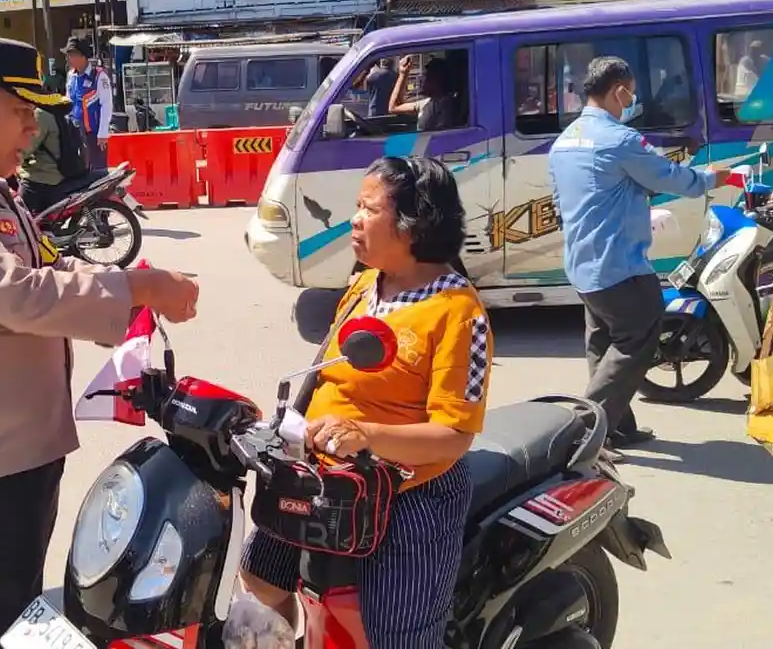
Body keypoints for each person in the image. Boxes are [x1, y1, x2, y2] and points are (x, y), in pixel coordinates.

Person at [0, 36, 200, 649]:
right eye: (22, 111)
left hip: (17, 453)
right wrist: (139, 286)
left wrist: (132, 290)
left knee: (15, 617)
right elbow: (17, 293)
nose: (33, 128)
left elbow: (48, 269)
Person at [239, 156, 491, 649]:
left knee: (397, 637)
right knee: (261, 578)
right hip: (325, 475)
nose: (354, 220)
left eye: (369, 209)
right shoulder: (363, 285)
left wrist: (367, 435)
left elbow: (454, 435)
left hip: (409, 495)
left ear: (413, 225)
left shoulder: (459, 314)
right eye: (357, 206)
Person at [549, 56, 729, 454]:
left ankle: (615, 428)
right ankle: (583, 434)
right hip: (621, 268)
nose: (632, 101)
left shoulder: (566, 141)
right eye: (631, 93)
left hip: (584, 265)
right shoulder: (620, 139)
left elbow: (561, 202)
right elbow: (670, 177)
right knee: (636, 343)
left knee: (603, 346)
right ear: (618, 91)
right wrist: (712, 178)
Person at [64, 36, 112, 169]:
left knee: (97, 171)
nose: (69, 59)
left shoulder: (99, 76)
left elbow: (106, 104)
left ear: (83, 56)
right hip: (75, 133)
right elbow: (67, 101)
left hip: (93, 135)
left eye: (72, 55)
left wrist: (103, 133)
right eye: (68, 55)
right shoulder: (71, 76)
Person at [388, 55, 458, 131]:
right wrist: (403, 73)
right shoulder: (428, 102)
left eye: (427, 77)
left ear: (438, 81)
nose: (423, 80)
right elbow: (394, 107)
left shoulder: (446, 106)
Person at [18, 105, 66, 214]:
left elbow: (26, 148)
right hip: (61, 174)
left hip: (41, 178)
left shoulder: (41, 115)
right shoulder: (59, 109)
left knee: (20, 215)